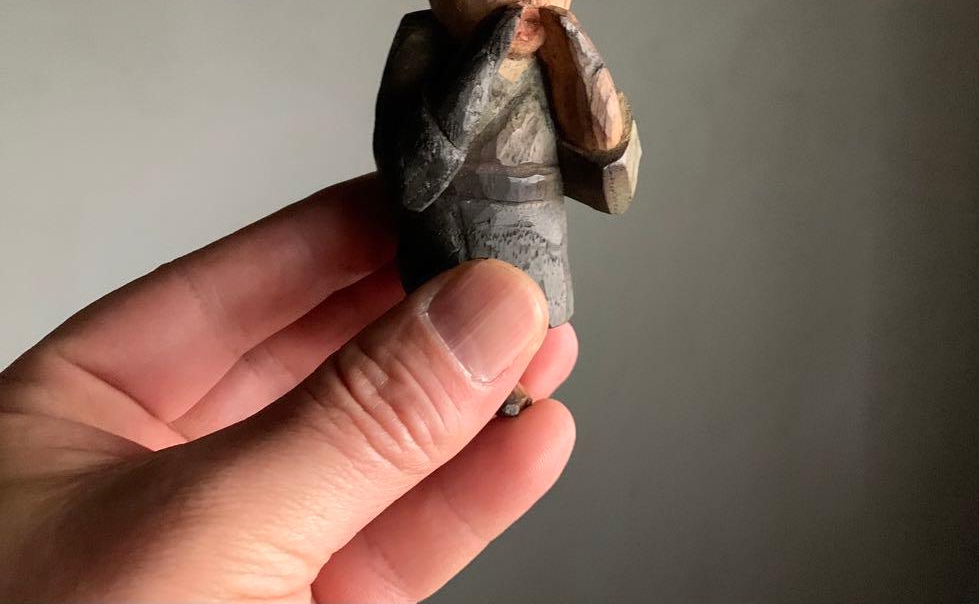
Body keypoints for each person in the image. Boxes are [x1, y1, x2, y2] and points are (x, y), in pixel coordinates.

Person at [0, 175, 577, 602]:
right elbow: (421, 150)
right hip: (454, 227)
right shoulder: (439, 58)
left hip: (523, 226)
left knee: (527, 340)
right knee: (478, 316)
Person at [374, 0, 640, 415]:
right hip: (454, 229)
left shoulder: (558, 56)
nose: (527, 9)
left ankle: (503, 380)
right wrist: (482, 59)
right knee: (464, 325)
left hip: (539, 226)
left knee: (529, 330)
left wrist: (603, 129)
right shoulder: (424, 48)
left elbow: (611, 187)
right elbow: (411, 178)